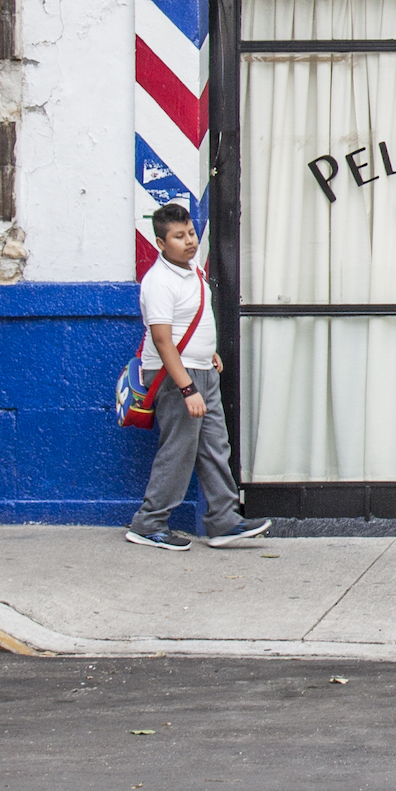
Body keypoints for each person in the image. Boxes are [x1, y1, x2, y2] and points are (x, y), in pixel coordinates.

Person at [126, 202, 271, 552]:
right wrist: (187, 387)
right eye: (178, 237)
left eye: (190, 233)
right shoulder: (159, 281)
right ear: (161, 243)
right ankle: (148, 523)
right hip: (177, 377)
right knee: (179, 450)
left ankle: (223, 520)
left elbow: (192, 322)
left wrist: (208, 353)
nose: (189, 241)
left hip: (203, 369)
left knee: (214, 447)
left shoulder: (194, 272)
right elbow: (162, 339)